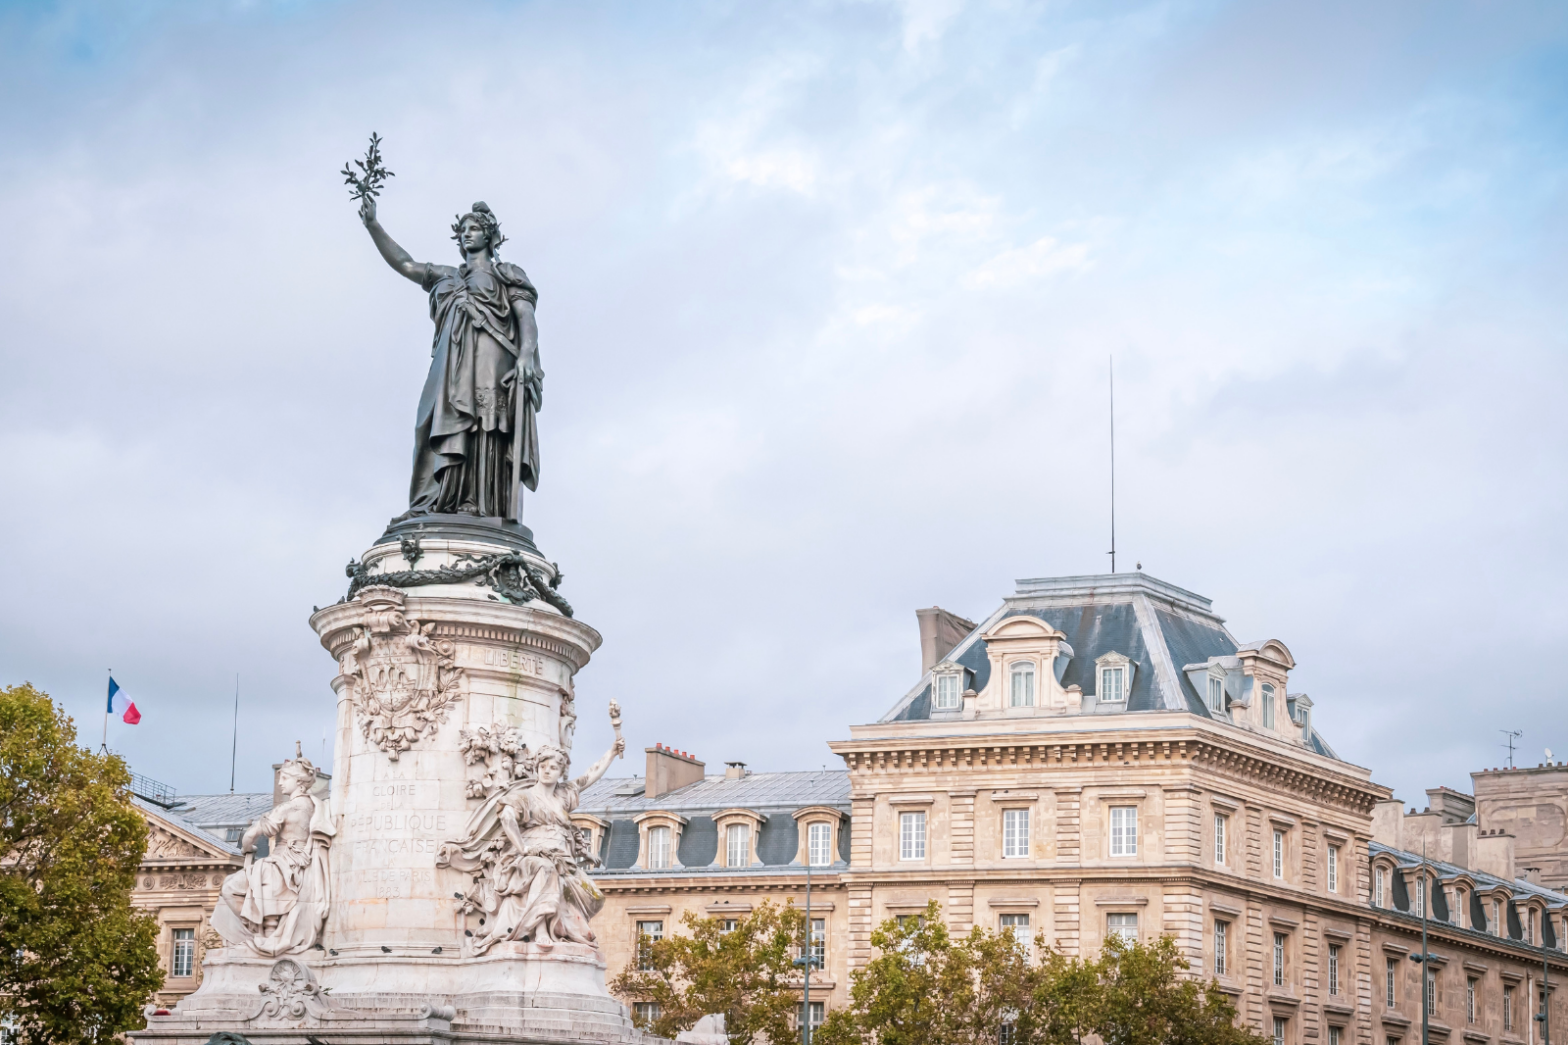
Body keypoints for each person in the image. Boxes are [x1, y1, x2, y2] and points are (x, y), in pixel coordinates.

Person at [359, 194, 543, 520]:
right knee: (429, 424)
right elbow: (405, 264)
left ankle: (478, 503)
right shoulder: (446, 276)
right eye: (462, 230)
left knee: (485, 424)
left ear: (489, 235)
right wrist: (374, 225)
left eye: (474, 228)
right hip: (449, 366)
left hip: (490, 357)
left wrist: (526, 353)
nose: (467, 234)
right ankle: (435, 501)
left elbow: (525, 316)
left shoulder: (507, 274)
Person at [439, 734, 625, 953]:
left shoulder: (564, 795)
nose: (547, 771)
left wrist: (612, 753)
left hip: (561, 859)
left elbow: (589, 776)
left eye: (553, 767)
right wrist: (524, 848)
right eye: (543, 766)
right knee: (546, 870)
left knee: (594, 897)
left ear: (560, 772)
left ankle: (561, 929)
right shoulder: (525, 797)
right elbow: (507, 817)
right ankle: (540, 929)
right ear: (537, 768)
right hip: (527, 857)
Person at [213, 756, 335, 957]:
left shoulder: (287, 808)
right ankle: (263, 932)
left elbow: (250, 835)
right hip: (302, 865)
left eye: (284, 778)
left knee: (229, 888)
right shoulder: (316, 807)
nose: (280, 783)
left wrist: (247, 848)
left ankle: (254, 934)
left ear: (298, 781)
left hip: (281, 864)